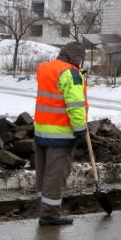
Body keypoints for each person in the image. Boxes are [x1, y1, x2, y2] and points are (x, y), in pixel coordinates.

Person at [33, 42, 89, 226]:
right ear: (75, 57)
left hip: (42, 131)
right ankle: (49, 214)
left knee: (43, 173)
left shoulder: (46, 69)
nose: (81, 63)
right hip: (61, 134)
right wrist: (80, 130)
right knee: (55, 175)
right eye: (81, 59)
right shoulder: (70, 73)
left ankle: (43, 206)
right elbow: (75, 105)